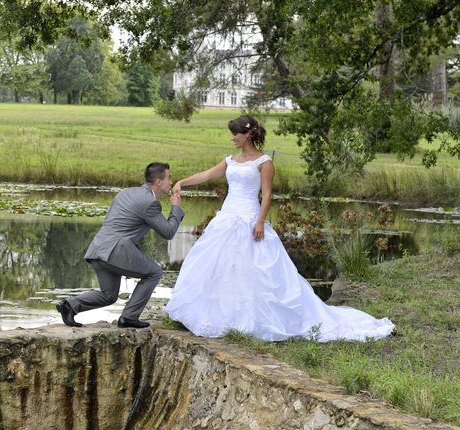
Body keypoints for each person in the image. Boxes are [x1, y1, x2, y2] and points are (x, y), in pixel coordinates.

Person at [165, 115, 395, 341]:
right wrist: (181, 182)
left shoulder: (264, 162)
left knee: (255, 270)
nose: (232, 137)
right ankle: (221, 315)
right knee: (221, 267)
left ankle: (257, 318)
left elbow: (266, 195)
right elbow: (206, 175)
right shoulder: (230, 160)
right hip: (227, 218)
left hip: (249, 217)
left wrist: (259, 222)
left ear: (248, 135)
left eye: (235, 133)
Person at [57, 162, 184, 329]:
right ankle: (129, 317)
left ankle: (70, 305)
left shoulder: (127, 192)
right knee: (154, 272)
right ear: (158, 182)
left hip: (97, 249)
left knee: (109, 295)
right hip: (114, 250)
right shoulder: (149, 202)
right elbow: (168, 232)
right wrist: (175, 207)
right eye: (169, 178)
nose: (171, 181)